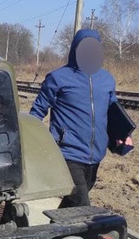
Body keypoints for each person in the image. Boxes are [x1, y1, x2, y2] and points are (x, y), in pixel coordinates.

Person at [30, 29, 132, 208]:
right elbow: (38, 110)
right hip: (68, 152)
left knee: (73, 202)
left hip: (96, 153)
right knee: (81, 203)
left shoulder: (107, 79)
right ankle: (84, 235)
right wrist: (29, 142)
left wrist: (123, 133)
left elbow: (113, 111)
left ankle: (55, 232)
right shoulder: (58, 78)